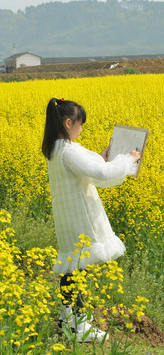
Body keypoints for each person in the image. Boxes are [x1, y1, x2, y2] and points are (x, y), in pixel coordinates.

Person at [41, 98, 141, 342]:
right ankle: (79, 328)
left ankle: (69, 320)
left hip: (67, 216)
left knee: (72, 268)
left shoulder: (56, 148)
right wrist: (128, 160)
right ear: (67, 123)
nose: (82, 129)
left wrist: (102, 157)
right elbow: (101, 173)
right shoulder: (68, 150)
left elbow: (89, 167)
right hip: (79, 217)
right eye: (80, 124)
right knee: (77, 270)